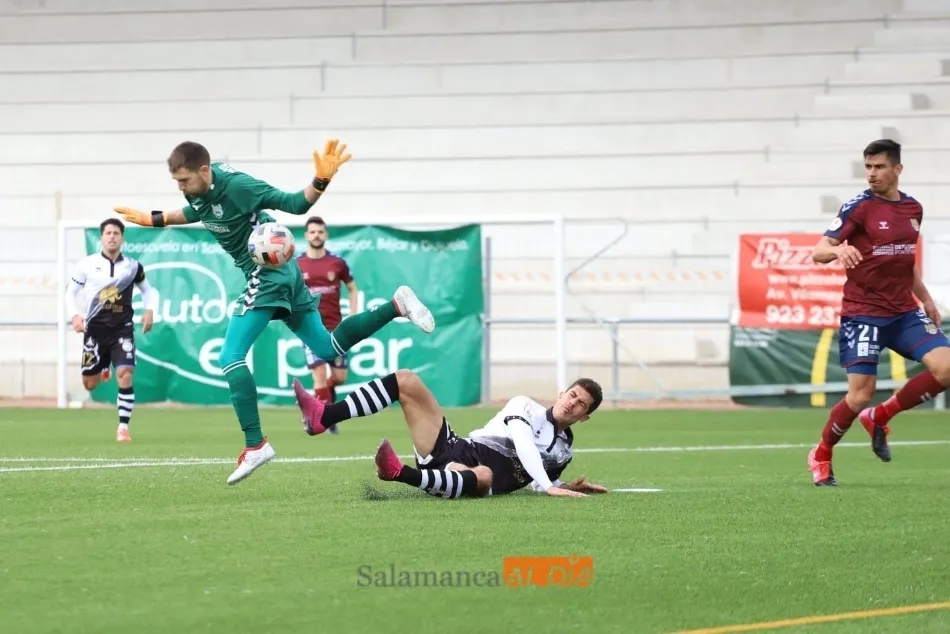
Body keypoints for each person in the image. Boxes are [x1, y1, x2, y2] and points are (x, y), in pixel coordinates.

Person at [112, 139, 436, 486]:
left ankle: (255, 444)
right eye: (176, 183)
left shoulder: (240, 186)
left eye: (185, 181)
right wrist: (154, 219)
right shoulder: (198, 190)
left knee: (230, 356)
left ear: (205, 171)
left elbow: (295, 204)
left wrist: (321, 180)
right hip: (286, 273)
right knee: (327, 349)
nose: (181, 188)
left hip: (265, 273)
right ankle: (396, 305)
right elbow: (199, 211)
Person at [808, 139, 950, 486]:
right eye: (868, 167)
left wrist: (927, 300)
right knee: (860, 394)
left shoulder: (913, 209)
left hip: (903, 311)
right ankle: (822, 452)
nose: (872, 174)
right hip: (863, 313)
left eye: (880, 167)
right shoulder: (858, 208)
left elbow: (904, 261)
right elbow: (818, 251)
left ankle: (881, 416)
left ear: (897, 169)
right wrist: (838, 252)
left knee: (946, 369)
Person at [291, 371, 608, 498]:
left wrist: (560, 486)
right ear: (562, 392)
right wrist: (551, 487)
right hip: (454, 447)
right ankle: (325, 415)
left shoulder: (564, 450)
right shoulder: (524, 406)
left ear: (585, 417)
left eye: (581, 404)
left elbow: (539, 483)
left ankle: (401, 473)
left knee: (484, 475)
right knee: (406, 381)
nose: (572, 403)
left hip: (473, 476)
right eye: (572, 394)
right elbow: (525, 447)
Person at [64, 218, 158, 443]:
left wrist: (150, 310)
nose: (112, 236)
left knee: (125, 374)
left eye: (116, 233)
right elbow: (70, 294)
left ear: (122, 238)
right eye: (108, 233)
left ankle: (123, 428)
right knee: (90, 383)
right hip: (94, 330)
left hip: (122, 329)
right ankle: (103, 365)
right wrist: (75, 316)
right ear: (101, 237)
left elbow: (148, 290)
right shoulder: (87, 264)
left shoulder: (133, 266)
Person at [297, 215, 358, 434]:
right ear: (306, 235)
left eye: (320, 231)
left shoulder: (337, 262)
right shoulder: (297, 264)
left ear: (326, 235)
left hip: (336, 330)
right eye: (312, 232)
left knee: (340, 377)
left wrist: (352, 314)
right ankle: (322, 420)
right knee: (319, 376)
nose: (316, 235)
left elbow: (352, 288)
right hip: (310, 330)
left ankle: (321, 403)